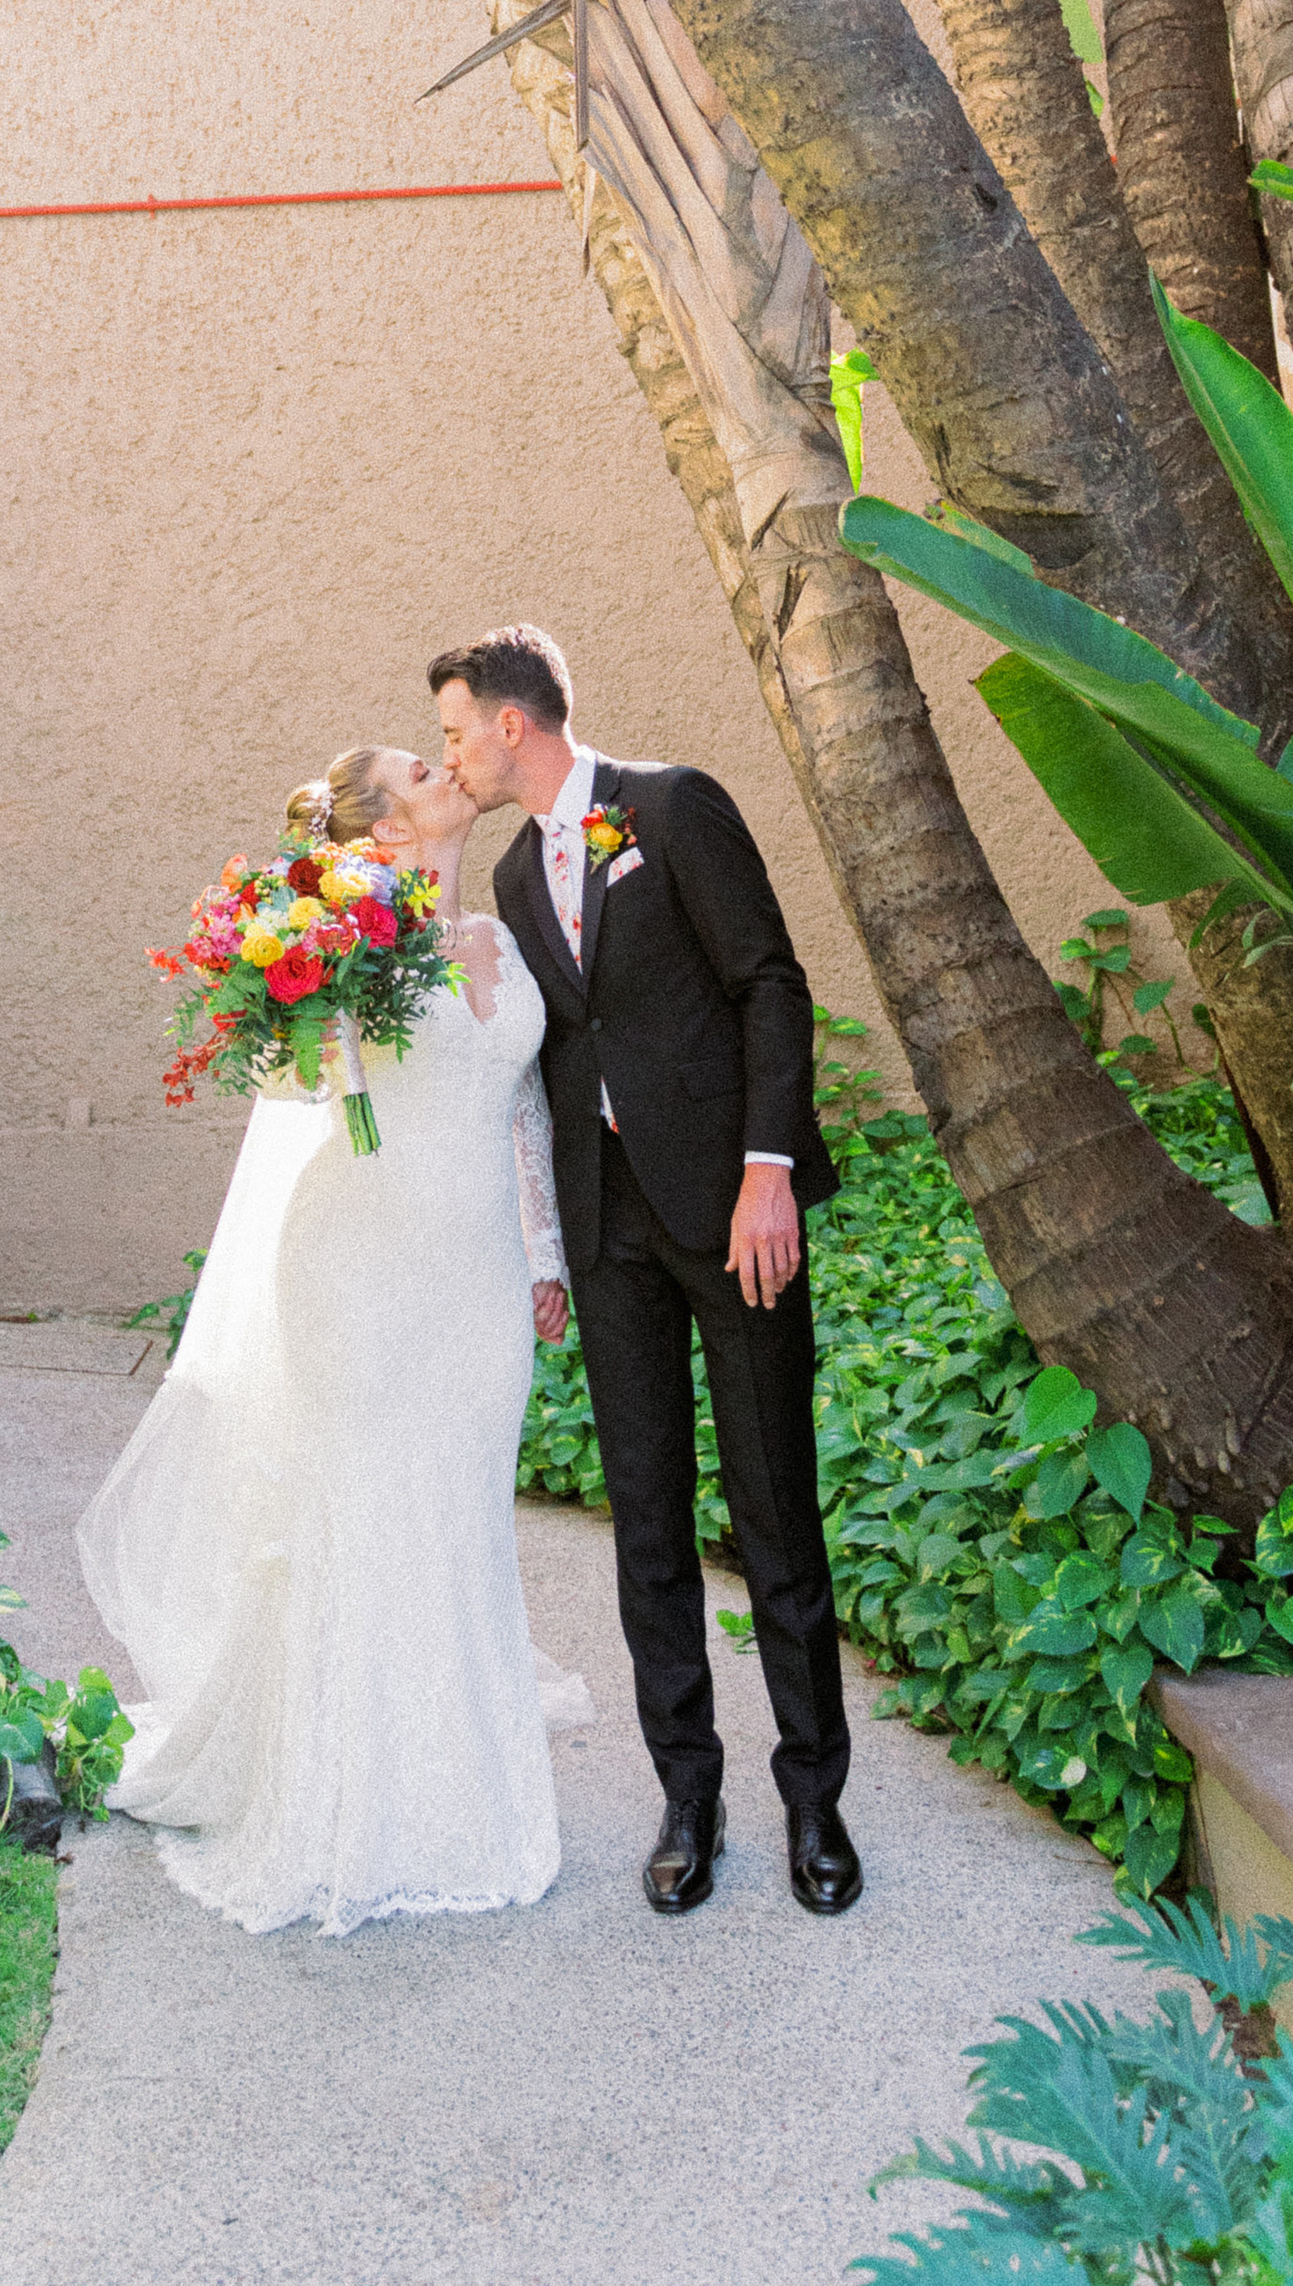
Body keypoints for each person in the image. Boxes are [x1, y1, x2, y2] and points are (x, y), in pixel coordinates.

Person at [78, 744, 589, 1936]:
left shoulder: (505, 924)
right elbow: (296, 1082)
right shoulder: (352, 936)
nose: (448, 765)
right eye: (422, 767)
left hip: (474, 1282)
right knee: (361, 1508)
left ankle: (459, 1789)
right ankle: (350, 1805)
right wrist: (312, 986)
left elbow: (523, 1108)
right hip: (357, 1270)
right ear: (379, 829)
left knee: (458, 1513)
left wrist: (545, 1255)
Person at [431, 623, 859, 1922]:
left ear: (513, 723)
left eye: (456, 727)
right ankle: (692, 1800)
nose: (450, 751)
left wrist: (770, 1169)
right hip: (612, 1231)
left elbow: (770, 985)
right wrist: (550, 1247)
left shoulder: (672, 811)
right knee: (651, 1530)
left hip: (734, 1217)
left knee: (777, 1514)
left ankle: (815, 1806)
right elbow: (555, 1065)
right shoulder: (512, 879)